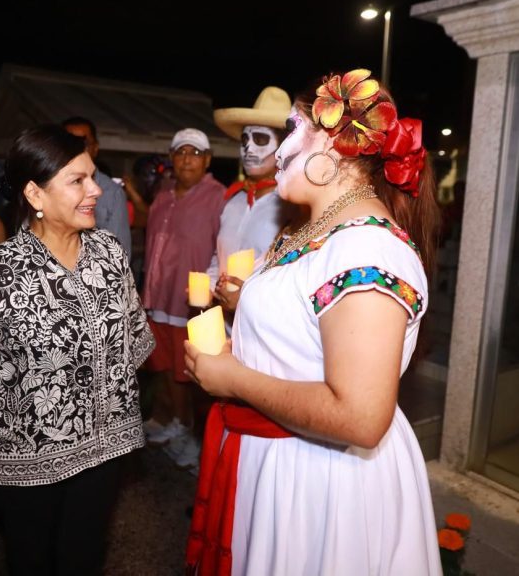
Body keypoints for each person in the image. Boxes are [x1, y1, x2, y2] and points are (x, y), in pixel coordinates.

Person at [183, 69, 442, 575]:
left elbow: (361, 419)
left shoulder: (367, 248)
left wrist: (234, 377)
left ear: (330, 143)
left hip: (321, 484)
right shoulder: (311, 231)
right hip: (281, 466)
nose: (277, 149)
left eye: (291, 129)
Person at [0, 125, 154, 576]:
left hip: (106, 452)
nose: (96, 190)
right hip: (25, 461)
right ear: (35, 195)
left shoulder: (109, 254)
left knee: (83, 558)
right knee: (32, 562)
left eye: (93, 176)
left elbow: (133, 340)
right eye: (77, 180)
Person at [141, 129, 226, 464]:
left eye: (195, 152)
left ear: (207, 160)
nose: (187, 158)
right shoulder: (163, 196)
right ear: (172, 158)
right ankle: (175, 422)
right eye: (180, 152)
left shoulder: (220, 197)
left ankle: (194, 436)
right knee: (163, 367)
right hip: (158, 297)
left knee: (190, 373)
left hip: (191, 303)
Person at [210, 86, 296, 313]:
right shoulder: (234, 201)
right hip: (224, 332)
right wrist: (209, 287)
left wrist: (247, 300)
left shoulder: (293, 208)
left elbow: (292, 278)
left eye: (259, 139)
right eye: (244, 139)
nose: (248, 147)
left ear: (283, 147)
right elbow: (219, 259)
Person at [63, 116, 132, 259]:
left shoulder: (112, 192)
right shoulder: (45, 187)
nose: (77, 151)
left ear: (95, 148)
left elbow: (120, 255)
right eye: (68, 144)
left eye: (83, 144)